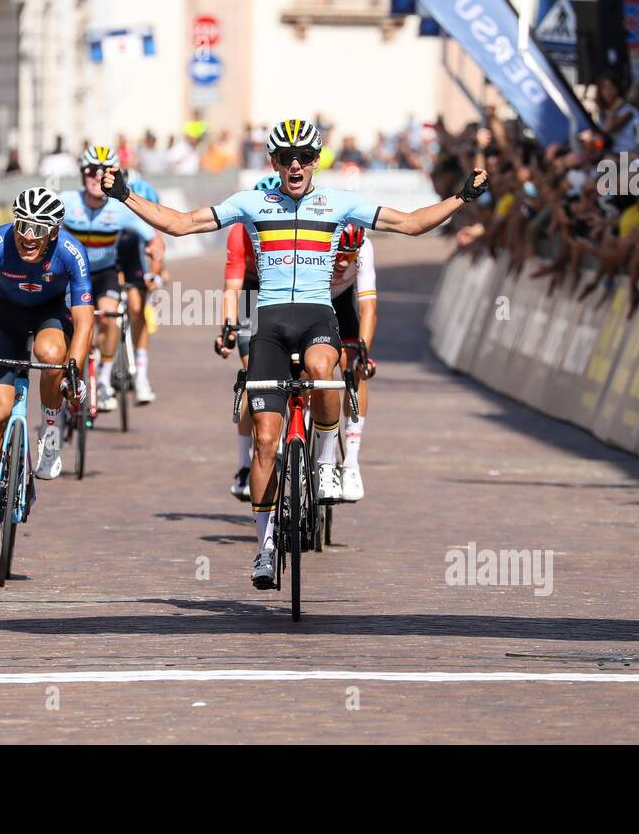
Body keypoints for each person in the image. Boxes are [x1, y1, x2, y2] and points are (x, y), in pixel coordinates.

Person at [104, 119, 486, 588]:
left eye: (305, 156)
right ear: (274, 163)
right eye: (286, 158)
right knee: (266, 439)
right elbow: (181, 225)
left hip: (315, 316)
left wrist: (461, 199)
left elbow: (409, 225)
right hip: (269, 323)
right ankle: (264, 548)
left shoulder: (339, 203)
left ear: (316, 159)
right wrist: (125, 194)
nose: (296, 165)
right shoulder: (253, 202)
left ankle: (325, 462)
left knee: (324, 368)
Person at [0, 188, 96, 554]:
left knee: (51, 354)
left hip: (50, 312)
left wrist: (74, 371)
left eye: (39, 229)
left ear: (54, 231)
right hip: (7, 316)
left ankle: (50, 428)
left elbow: (83, 322)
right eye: (22, 226)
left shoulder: (71, 252)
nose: (28, 237)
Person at [60, 145, 164, 412]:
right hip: (72, 274)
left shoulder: (121, 209)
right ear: (82, 175)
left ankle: (104, 380)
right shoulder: (67, 202)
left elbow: (154, 239)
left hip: (105, 273)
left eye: (104, 172)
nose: (97, 176)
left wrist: (156, 268)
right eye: (91, 171)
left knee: (108, 315)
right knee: (65, 323)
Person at [215, 172, 280, 499]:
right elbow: (233, 286)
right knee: (256, 377)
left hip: (285, 292)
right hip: (253, 294)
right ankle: (244, 465)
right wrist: (228, 325)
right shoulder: (241, 231)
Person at [328, 223, 377, 501]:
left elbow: (368, 307)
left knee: (354, 366)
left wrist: (364, 351)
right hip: (313, 299)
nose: (345, 261)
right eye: (339, 254)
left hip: (343, 303)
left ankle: (350, 463)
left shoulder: (365, 249)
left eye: (351, 255)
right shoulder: (318, 244)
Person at [119, 169, 166, 403]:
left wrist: (155, 275)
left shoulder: (146, 224)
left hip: (136, 257)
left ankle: (141, 377)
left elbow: (156, 248)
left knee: (138, 311)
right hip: (113, 254)